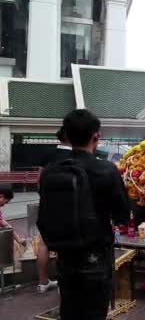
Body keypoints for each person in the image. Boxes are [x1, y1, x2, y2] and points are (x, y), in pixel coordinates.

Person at [39, 109, 131, 320]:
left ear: (67, 137)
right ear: (96, 136)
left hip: (64, 256)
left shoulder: (51, 171)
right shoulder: (107, 170)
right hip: (96, 256)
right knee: (95, 312)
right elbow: (122, 215)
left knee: (69, 310)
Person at [36, 126, 71, 293]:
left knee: (44, 243)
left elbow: (39, 179)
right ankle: (63, 283)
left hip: (46, 205)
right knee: (65, 245)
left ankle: (43, 282)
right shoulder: (77, 156)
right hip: (67, 207)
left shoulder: (48, 154)